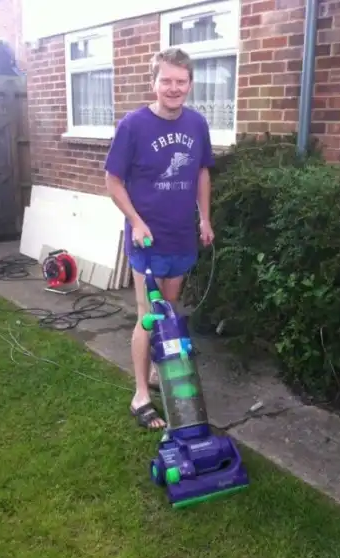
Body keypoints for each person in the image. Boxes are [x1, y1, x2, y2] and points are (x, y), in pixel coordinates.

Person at [105, 47, 215, 431]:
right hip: (147, 240)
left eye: (180, 81)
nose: (173, 88)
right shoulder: (133, 125)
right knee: (149, 316)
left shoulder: (197, 124)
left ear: (190, 84)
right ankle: (140, 393)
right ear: (153, 82)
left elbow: (201, 172)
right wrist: (135, 221)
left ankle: (155, 371)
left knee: (169, 308)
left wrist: (205, 218)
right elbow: (113, 180)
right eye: (166, 80)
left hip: (181, 236)